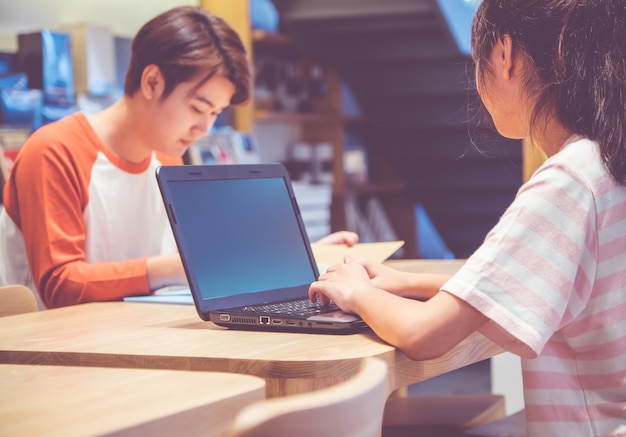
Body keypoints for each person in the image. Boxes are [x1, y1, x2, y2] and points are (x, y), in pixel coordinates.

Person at [309, 1, 626, 436]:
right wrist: (406, 283)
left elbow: (423, 335)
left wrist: (356, 291)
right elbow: (531, 284)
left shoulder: (569, 180)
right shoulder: (608, 164)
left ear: (504, 54)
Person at [0, 6, 357, 309]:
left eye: (215, 112)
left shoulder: (167, 155)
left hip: (135, 337)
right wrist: (182, 266)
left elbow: (202, 253)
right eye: (197, 107)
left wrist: (291, 256)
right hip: (55, 357)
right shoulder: (55, 151)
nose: (204, 127)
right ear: (152, 82)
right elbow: (60, 286)